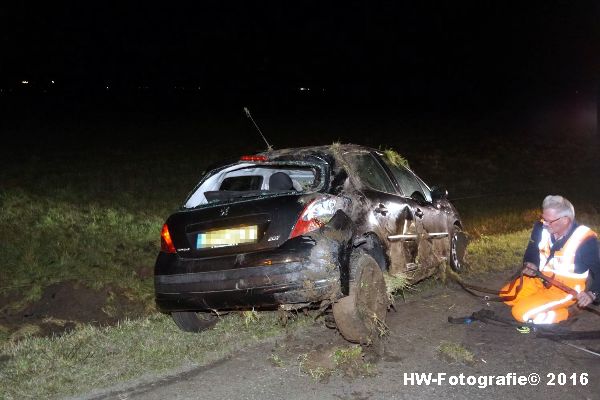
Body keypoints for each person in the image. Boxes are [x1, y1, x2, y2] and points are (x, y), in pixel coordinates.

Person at [501, 195, 600, 324]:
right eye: (543, 218)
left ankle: (568, 312)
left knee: (520, 313)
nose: (545, 224)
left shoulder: (585, 240)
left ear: (565, 220)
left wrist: (592, 294)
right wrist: (531, 263)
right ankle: (538, 301)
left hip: (564, 289)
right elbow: (532, 248)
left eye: (549, 221)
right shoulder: (541, 227)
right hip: (539, 279)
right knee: (507, 297)